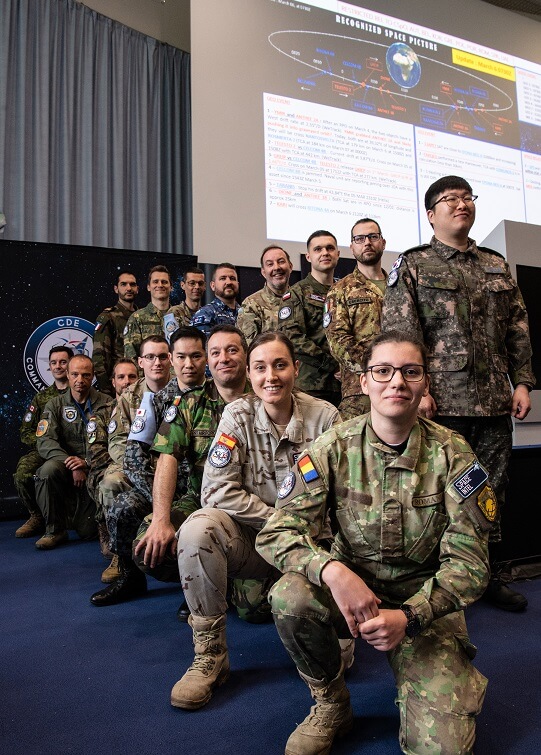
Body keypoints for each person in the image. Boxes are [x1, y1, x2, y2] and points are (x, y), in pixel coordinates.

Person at [256, 331, 493, 755]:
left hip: (424, 598)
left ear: (425, 383)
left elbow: (470, 566)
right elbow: (277, 532)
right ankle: (331, 702)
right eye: (382, 371)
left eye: (410, 371)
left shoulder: (454, 454)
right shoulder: (331, 448)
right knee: (290, 596)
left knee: (442, 749)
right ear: (364, 382)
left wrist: (410, 615)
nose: (396, 382)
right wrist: (332, 570)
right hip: (353, 590)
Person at [381, 175, 535, 612]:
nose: (460, 204)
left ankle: (488, 576)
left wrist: (521, 382)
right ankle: (435, 583)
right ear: (432, 214)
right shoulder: (413, 265)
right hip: (440, 407)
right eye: (449, 199)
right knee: (434, 493)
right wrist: (418, 388)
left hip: (493, 405)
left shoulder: (496, 265)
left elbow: (518, 329)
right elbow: (400, 335)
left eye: (467, 197)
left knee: (492, 491)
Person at [169, 331, 340, 711]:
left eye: (280, 365)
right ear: (249, 373)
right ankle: (210, 655)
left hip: (311, 547)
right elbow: (214, 493)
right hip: (257, 542)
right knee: (198, 527)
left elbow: (340, 501)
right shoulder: (238, 415)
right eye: (260, 368)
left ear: (296, 369)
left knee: (341, 661)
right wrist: (278, 520)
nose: (271, 377)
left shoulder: (325, 418)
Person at [90, 326, 218, 606]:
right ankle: (130, 578)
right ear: (172, 359)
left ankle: (198, 584)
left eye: (196, 356)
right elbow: (134, 459)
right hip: (161, 488)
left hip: (203, 490)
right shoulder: (156, 401)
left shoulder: (217, 393)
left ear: (205, 358)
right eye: (181, 357)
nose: (189, 364)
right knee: (122, 507)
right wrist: (161, 502)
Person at [34, 355, 113, 549]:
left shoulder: (108, 404)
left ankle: (79, 518)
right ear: (67, 375)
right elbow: (45, 440)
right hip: (66, 465)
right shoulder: (55, 405)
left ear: (93, 376)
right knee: (46, 471)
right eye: (75, 374)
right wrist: (71, 462)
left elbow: (115, 442)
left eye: (86, 375)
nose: (80, 380)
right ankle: (54, 530)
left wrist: (86, 462)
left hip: (96, 466)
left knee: (87, 532)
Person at [325, 218, 387, 420]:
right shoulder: (340, 290)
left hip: (401, 386)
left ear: (383, 242)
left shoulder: (401, 286)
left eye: (373, 237)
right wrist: (376, 369)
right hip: (360, 391)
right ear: (352, 247)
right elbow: (337, 339)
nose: (367, 242)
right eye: (360, 239)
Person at [13, 346, 73, 538]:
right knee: (22, 473)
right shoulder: (41, 398)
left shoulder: (80, 391)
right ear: (49, 366)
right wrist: (44, 443)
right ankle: (37, 516)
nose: (58, 366)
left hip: (74, 449)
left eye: (63, 362)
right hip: (46, 449)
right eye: (54, 362)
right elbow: (26, 431)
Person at [278, 230, 340, 405]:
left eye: (329, 248)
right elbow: (293, 338)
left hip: (347, 386)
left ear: (338, 254)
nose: (325, 253)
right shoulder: (297, 294)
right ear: (308, 256)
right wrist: (332, 365)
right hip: (313, 385)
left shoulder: (346, 290)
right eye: (318, 249)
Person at [86, 358, 138, 562]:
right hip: (110, 468)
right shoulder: (102, 413)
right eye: (121, 377)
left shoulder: (149, 406)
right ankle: (116, 549)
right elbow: (97, 454)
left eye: (132, 376)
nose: (126, 381)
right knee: (109, 483)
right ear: (113, 382)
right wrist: (122, 468)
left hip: (142, 467)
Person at [124, 265, 186, 363]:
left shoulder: (180, 317)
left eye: (164, 282)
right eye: (155, 282)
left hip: (177, 376)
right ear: (149, 287)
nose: (160, 285)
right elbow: (131, 357)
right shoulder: (137, 318)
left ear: (171, 287)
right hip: (149, 376)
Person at [93, 270, 139, 395]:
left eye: (132, 285)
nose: (128, 288)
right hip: (117, 387)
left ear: (137, 289)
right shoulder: (108, 317)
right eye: (123, 284)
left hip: (140, 384)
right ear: (116, 289)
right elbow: (99, 358)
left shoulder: (143, 316)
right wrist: (107, 390)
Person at [237, 245, 293, 344]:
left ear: (291, 267)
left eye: (281, 262)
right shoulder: (251, 305)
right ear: (263, 272)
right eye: (270, 264)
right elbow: (248, 348)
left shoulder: (302, 299)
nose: (276, 267)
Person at [191, 263, 240, 336]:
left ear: (238, 284)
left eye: (232, 278)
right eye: (223, 278)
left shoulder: (246, 312)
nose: (229, 282)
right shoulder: (205, 314)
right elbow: (202, 346)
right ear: (213, 286)